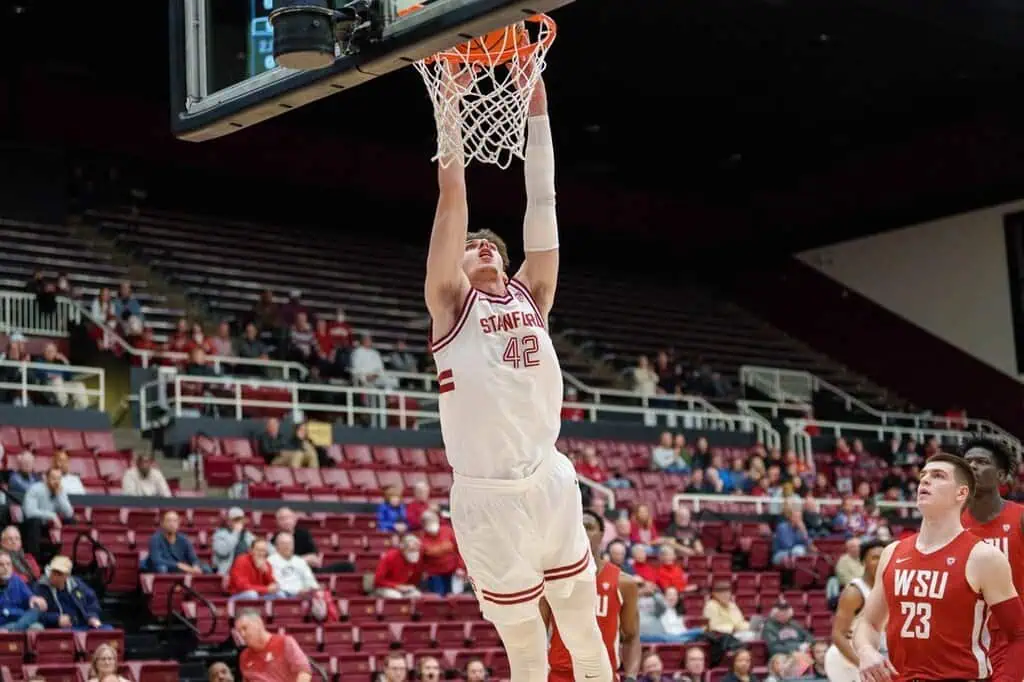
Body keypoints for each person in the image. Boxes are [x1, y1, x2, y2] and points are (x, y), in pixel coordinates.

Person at [423, 66, 610, 682]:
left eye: (490, 246)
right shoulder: (450, 304)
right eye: (471, 246)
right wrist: (448, 100)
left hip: (547, 479)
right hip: (485, 497)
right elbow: (453, 193)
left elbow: (543, 200)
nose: (481, 248)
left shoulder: (534, 295)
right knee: (526, 650)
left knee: (582, 632)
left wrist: (537, 109)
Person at [854, 454, 1024, 682]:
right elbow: (869, 623)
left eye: (938, 476)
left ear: (961, 493)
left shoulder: (983, 557)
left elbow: (1018, 634)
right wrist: (866, 651)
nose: (924, 481)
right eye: (923, 475)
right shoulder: (892, 552)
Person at [541, 510, 641, 682]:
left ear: (601, 535)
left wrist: (631, 677)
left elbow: (631, 637)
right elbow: (537, 634)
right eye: (577, 527)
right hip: (560, 675)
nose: (583, 532)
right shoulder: (551, 580)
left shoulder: (624, 583)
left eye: (588, 527)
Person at [960, 435, 1024, 678]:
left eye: (982, 461)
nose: (973, 466)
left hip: (1013, 635)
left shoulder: (1020, 518)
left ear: (1001, 476)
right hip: (967, 639)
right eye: (967, 461)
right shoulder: (949, 522)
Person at [825, 539, 884, 682]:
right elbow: (838, 635)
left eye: (883, 557)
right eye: (874, 558)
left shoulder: (887, 588)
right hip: (845, 658)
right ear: (863, 562)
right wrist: (861, 663)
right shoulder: (854, 592)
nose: (880, 562)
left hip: (870, 656)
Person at [236, 609, 312, 682]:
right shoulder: (244, 656)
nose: (242, 634)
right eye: (239, 631)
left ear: (259, 623)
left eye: (245, 628)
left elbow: (304, 672)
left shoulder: (285, 642)